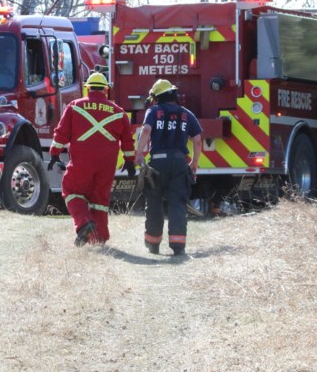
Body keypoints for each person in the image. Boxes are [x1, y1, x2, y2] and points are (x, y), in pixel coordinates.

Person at [49, 72, 137, 246]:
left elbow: (61, 133)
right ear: (106, 89)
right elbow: (127, 140)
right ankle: (99, 238)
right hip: (107, 164)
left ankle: (84, 223)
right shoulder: (119, 112)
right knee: (100, 200)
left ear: (87, 88)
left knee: (71, 190)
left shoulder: (75, 106)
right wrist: (129, 161)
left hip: (82, 161)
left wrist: (54, 153)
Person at [135, 79, 203, 256]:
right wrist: (194, 163)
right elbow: (197, 140)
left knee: (154, 203)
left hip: (157, 164)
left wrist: (139, 153)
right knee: (178, 204)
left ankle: (153, 244)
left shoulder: (153, 111)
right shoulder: (187, 114)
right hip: (180, 164)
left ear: (157, 98)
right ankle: (178, 246)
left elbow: (147, 131)